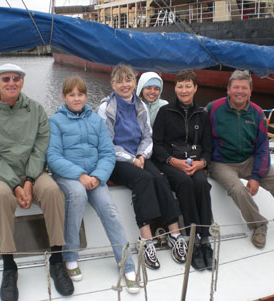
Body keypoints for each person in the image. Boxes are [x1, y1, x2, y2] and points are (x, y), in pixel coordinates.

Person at [0, 63, 74, 301]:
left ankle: (57, 260)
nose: (11, 83)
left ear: (22, 82)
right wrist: (15, 185)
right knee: (0, 196)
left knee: (52, 191)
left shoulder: (36, 110)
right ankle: (9, 266)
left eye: (16, 78)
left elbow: (40, 149)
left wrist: (28, 181)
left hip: (33, 173)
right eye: (5, 78)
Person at [46, 76, 139, 294]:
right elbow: (53, 156)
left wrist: (97, 176)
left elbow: (107, 152)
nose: (76, 98)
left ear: (86, 96)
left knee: (110, 210)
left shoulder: (96, 120)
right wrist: (80, 175)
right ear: (64, 97)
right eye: (72, 94)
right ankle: (70, 256)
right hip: (68, 175)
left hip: (95, 176)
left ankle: (126, 265)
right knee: (77, 195)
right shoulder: (55, 121)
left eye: (80, 94)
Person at [97, 64, 188, 270]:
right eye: (119, 81)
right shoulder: (106, 108)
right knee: (143, 179)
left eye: (128, 80)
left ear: (134, 83)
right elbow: (107, 143)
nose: (124, 85)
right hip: (116, 160)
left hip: (139, 155)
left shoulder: (140, 106)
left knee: (160, 177)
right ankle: (146, 240)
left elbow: (148, 136)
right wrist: (132, 159)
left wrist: (141, 155)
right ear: (112, 84)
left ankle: (174, 234)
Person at [206, 70, 274, 249]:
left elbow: (262, 147)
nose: (239, 91)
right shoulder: (213, 108)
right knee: (237, 189)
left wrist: (256, 176)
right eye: (235, 87)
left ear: (250, 92)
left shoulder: (257, 113)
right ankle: (259, 225)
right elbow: (202, 136)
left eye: (244, 88)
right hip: (222, 162)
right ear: (228, 90)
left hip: (249, 159)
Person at [152, 70, 214, 271]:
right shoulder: (165, 112)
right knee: (186, 183)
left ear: (195, 88)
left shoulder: (202, 115)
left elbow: (207, 147)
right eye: (180, 86)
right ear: (175, 88)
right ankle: (192, 240)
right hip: (170, 163)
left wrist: (201, 164)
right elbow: (157, 145)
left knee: (202, 183)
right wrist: (173, 161)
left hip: (194, 162)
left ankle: (205, 239)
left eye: (188, 86)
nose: (184, 90)